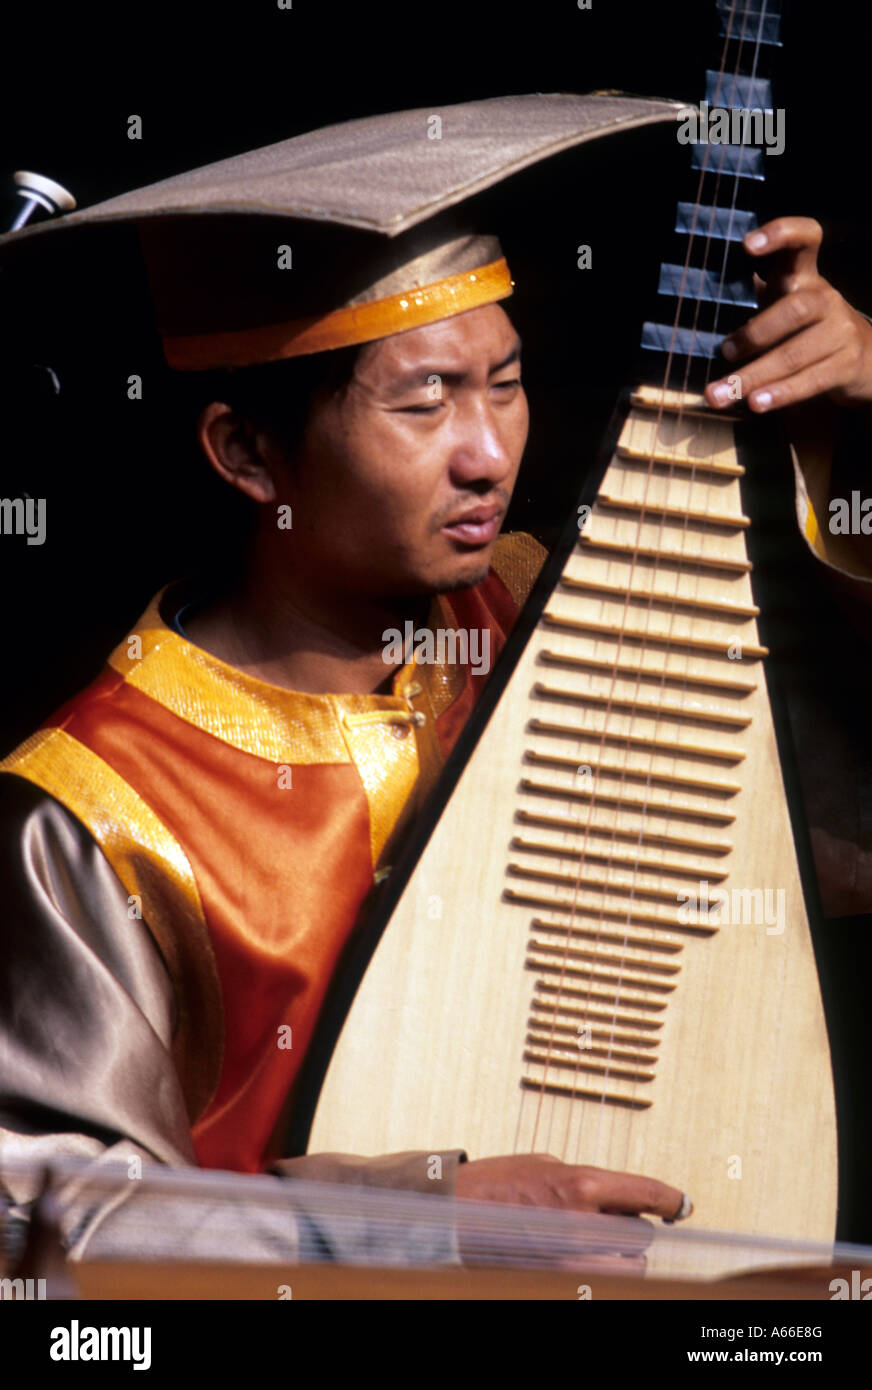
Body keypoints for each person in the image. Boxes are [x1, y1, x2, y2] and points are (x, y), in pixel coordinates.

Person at [1, 94, 871, 1270]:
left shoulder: (528, 612)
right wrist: (413, 1221)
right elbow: (57, 1226)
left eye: (503, 383)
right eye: (422, 400)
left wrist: (853, 432)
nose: (487, 452)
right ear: (249, 453)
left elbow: (839, 842)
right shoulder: (94, 808)